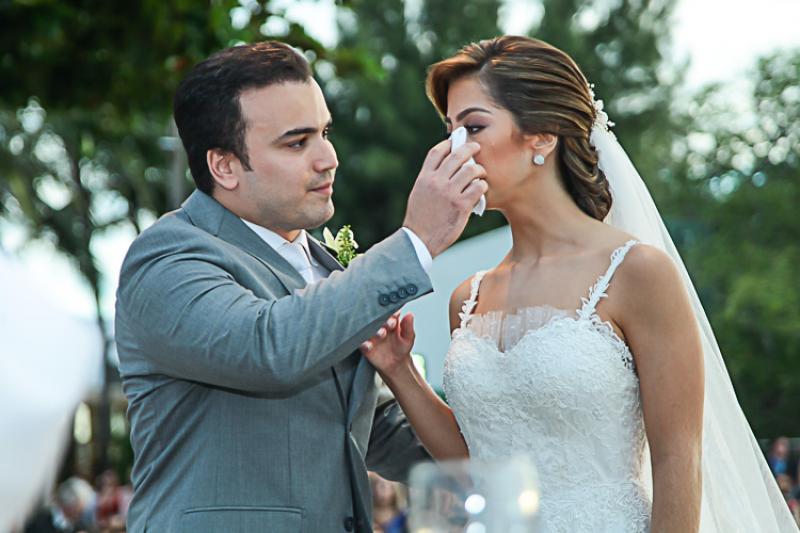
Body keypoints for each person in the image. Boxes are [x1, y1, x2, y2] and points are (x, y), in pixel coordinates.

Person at [362, 35, 799, 532]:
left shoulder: (637, 273)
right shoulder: (468, 297)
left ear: (542, 136)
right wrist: (400, 371)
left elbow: (679, 462)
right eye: (449, 131)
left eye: (473, 127)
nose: (453, 149)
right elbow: (477, 462)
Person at [114, 41, 487, 533]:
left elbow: (377, 433)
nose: (329, 158)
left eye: (325, 133)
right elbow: (268, 349)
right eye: (297, 143)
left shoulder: (329, 272)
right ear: (224, 166)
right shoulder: (166, 259)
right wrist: (415, 242)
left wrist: (525, 435)